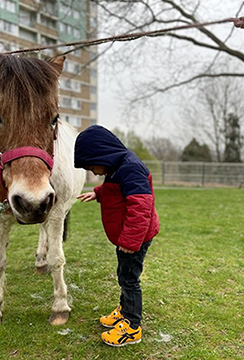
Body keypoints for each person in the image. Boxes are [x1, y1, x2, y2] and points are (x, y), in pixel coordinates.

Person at [74, 125, 160, 347]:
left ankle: (132, 327)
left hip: (134, 239)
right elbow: (117, 190)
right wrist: (97, 193)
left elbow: (141, 205)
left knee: (130, 279)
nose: (94, 173)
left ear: (102, 155)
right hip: (126, 237)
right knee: (124, 275)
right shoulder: (116, 168)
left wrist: (131, 242)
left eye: (92, 167)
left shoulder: (130, 168)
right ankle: (124, 310)